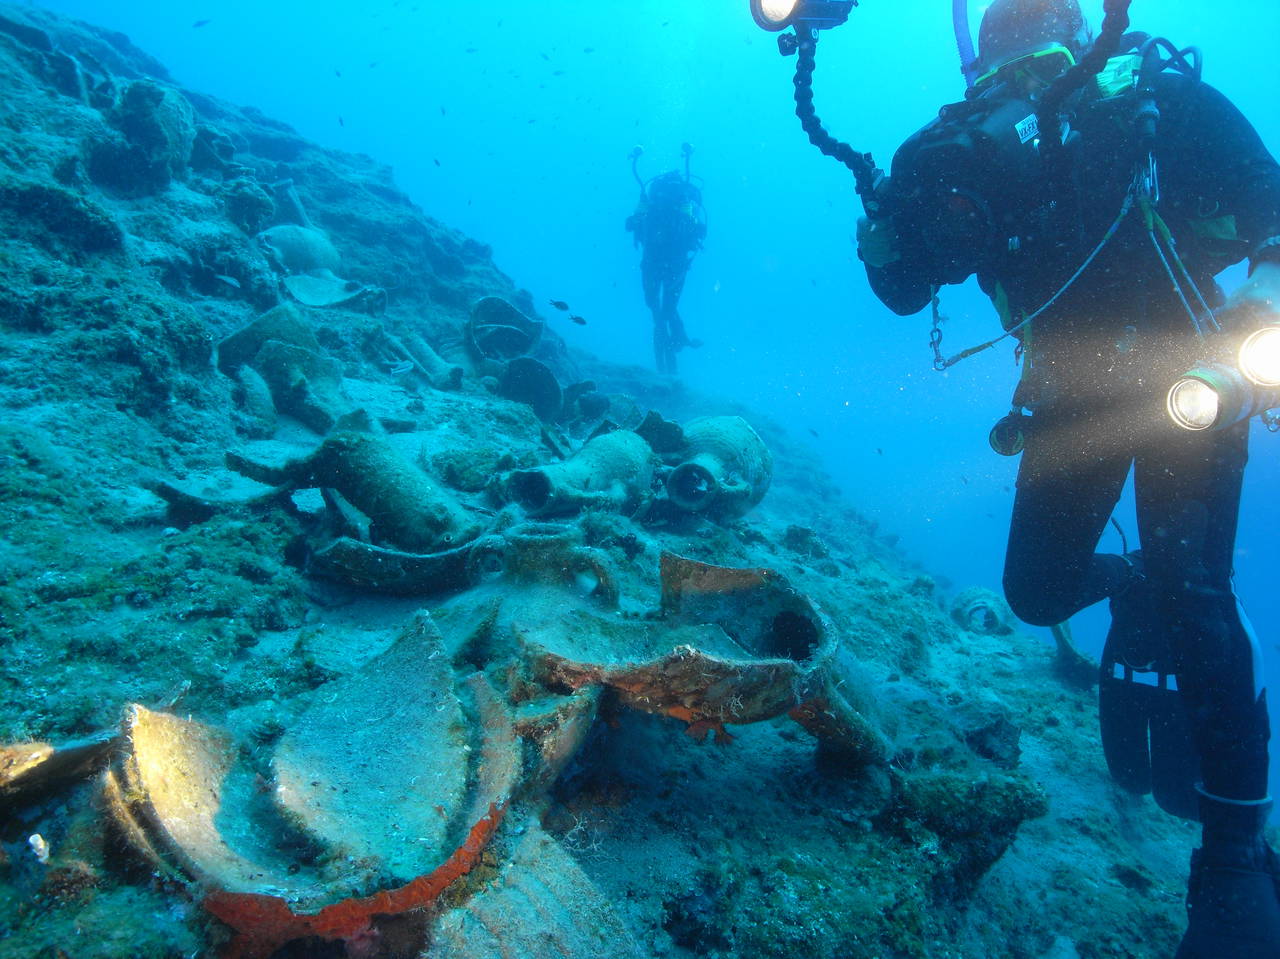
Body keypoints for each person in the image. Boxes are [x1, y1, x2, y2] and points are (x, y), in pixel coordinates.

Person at [856, 1, 1280, 955]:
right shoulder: (958, 151)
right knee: (1034, 590)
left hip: (1192, 381)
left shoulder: (1157, 104)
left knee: (1202, 593)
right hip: (1067, 399)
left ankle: (1235, 854)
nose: (1013, 67)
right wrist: (886, 228)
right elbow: (904, 287)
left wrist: (1261, 311)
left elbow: (1272, 201)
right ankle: (1133, 591)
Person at [625, 145, 706, 375]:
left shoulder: (651, 198)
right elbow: (697, 231)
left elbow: (633, 223)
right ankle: (674, 353)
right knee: (668, 308)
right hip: (677, 264)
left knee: (656, 309)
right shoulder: (684, 200)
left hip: (652, 261)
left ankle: (667, 358)